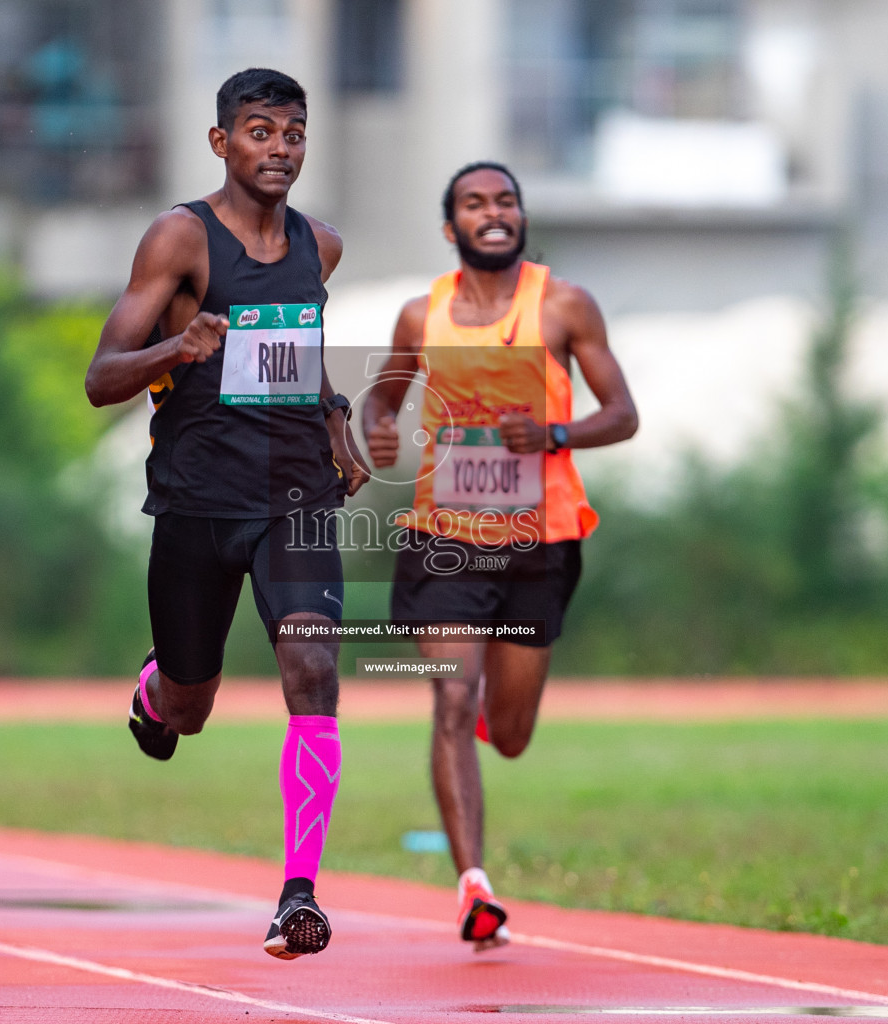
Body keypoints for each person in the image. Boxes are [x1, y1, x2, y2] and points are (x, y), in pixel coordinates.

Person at [84, 67, 366, 960]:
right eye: (259, 131)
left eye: (292, 132)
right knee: (191, 706)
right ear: (221, 143)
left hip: (296, 498)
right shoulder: (180, 240)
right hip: (200, 502)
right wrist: (182, 340)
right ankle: (155, 689)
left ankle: (297, 896)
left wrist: (336, 421)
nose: (279, 148)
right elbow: (100, 381)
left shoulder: (321, 248)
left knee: (313, 666)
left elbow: (295, 353)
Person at [361, 161, 637, 951]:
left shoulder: (563, 306)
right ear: (451, 228)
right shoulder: (422, 316)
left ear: (520, 217)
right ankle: (473, 885)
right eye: (475, 204)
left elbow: (621, 414)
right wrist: (377, 427)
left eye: (506, 201)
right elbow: (383, 396)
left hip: (538, 544)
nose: (494, 213)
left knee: (507, 732)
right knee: (451, 701)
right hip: (444, 540)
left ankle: (489, 713)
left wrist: (554, 434)